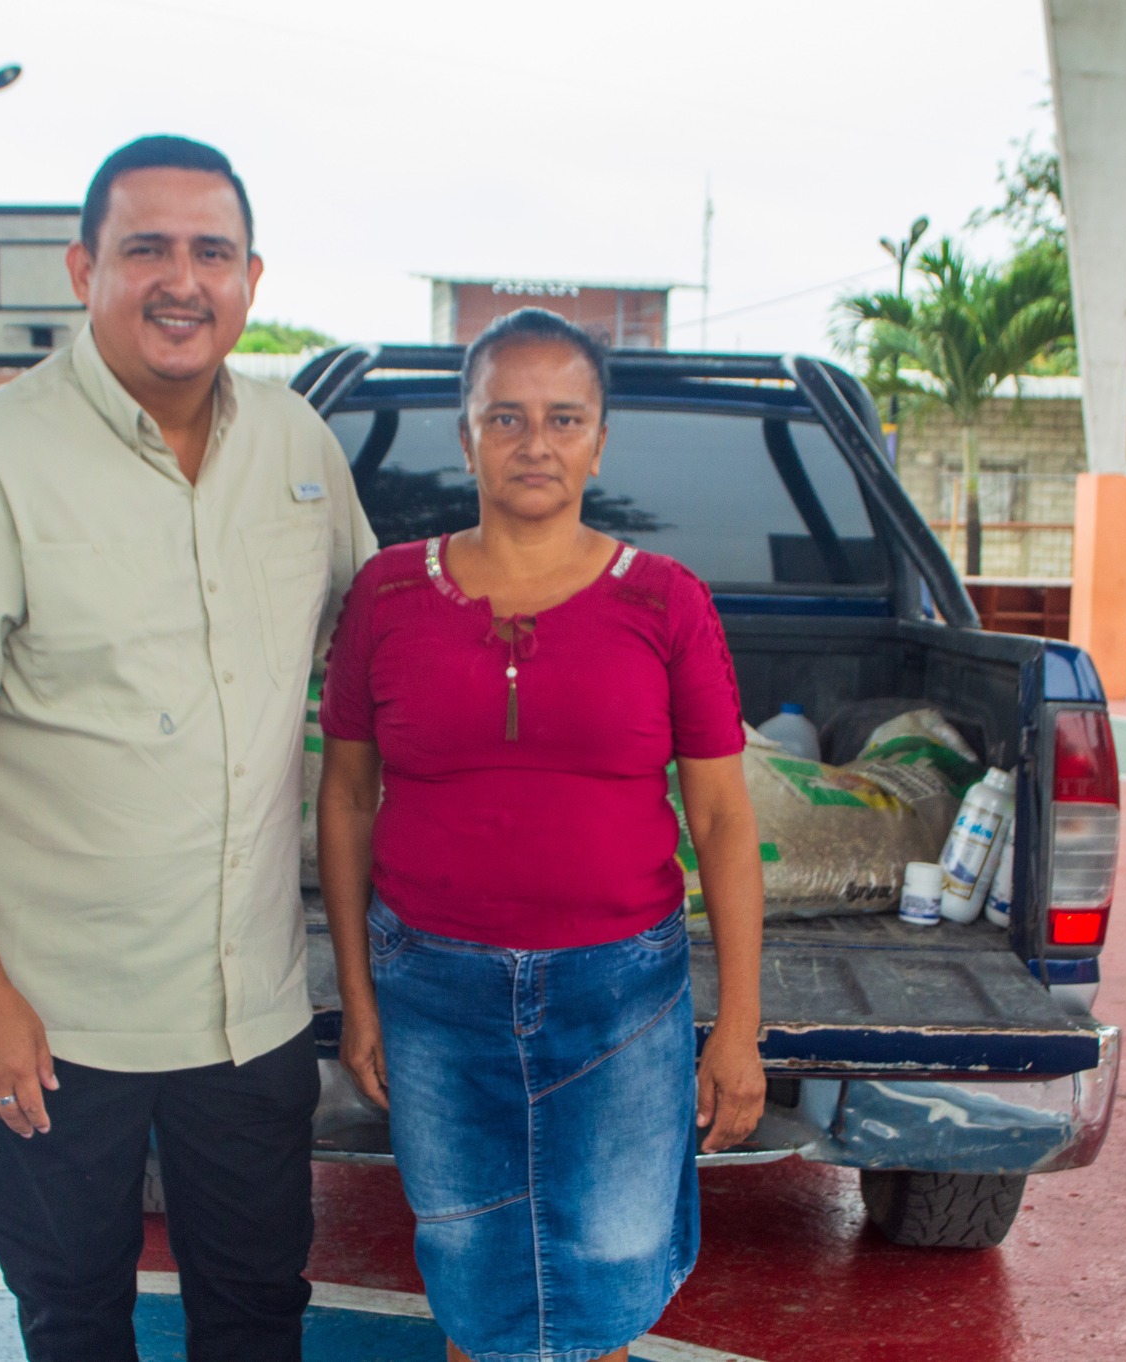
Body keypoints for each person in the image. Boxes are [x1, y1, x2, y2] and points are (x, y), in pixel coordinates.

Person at [0, 135, 375, 1362]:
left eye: (211, 252)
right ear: (84, 268)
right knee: (75, 1322)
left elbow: (381, 650)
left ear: (251, 277)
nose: (181, 281)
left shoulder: (296, 448)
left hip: (248, 1014)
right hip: (53, 1022)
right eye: (146, 249)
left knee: (256, 1319)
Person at [315, 308, 767, 1362]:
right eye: (505, 416)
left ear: (599, 441)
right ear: (464, 436)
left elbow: (721, 819)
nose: (535, 442)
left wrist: (739, 1027)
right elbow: (343, 798)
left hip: (620, 994)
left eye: (564, 418)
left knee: (608, 1262)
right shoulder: (388, 593)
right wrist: (359, 997)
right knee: (470, 1262)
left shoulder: (666, 601)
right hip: (433, 989)